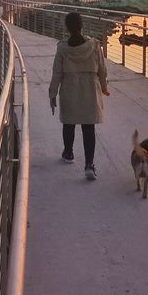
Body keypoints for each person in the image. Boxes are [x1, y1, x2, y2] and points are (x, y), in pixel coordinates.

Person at [48, 11, 109, 180]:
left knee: (69, 123)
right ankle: (89, 165)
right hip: (90, 90)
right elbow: (103, 70)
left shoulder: (62, 48)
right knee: (88, 128)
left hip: (69, 89)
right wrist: (104, 88)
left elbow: (57, 73)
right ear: (82, 26)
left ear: (67, 28)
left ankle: (68, 153)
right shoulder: (95, 45)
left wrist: (52, 94)